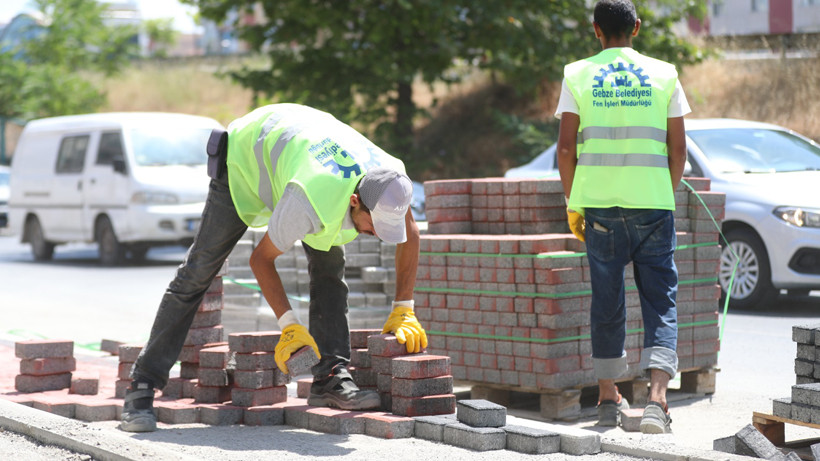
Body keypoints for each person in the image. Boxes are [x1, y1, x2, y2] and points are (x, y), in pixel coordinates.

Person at [121, 103, 426, 432]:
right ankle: (142, 385)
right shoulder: (309, 198)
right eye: (373, 225)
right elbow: (261, 259)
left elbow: (410, 233)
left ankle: (329, 378)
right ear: (355, 201)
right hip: (246, 161)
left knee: (329, 265)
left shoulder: (392, 180)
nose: (378, 235)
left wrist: (403, 308)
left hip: (301, 148)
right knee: (198, 272)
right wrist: (289, 326)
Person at [555, 0, 690, 434]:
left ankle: (609, 399)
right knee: (660, 302)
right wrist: (662, 197)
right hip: (652, 206)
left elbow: (564, 148)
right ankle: (656, 402)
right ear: (636, 27)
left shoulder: (576, 74)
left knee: (607, 302)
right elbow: (679, 149)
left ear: (596, 30)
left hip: (599, 209)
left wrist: (574, 203)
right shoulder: (665, 73)